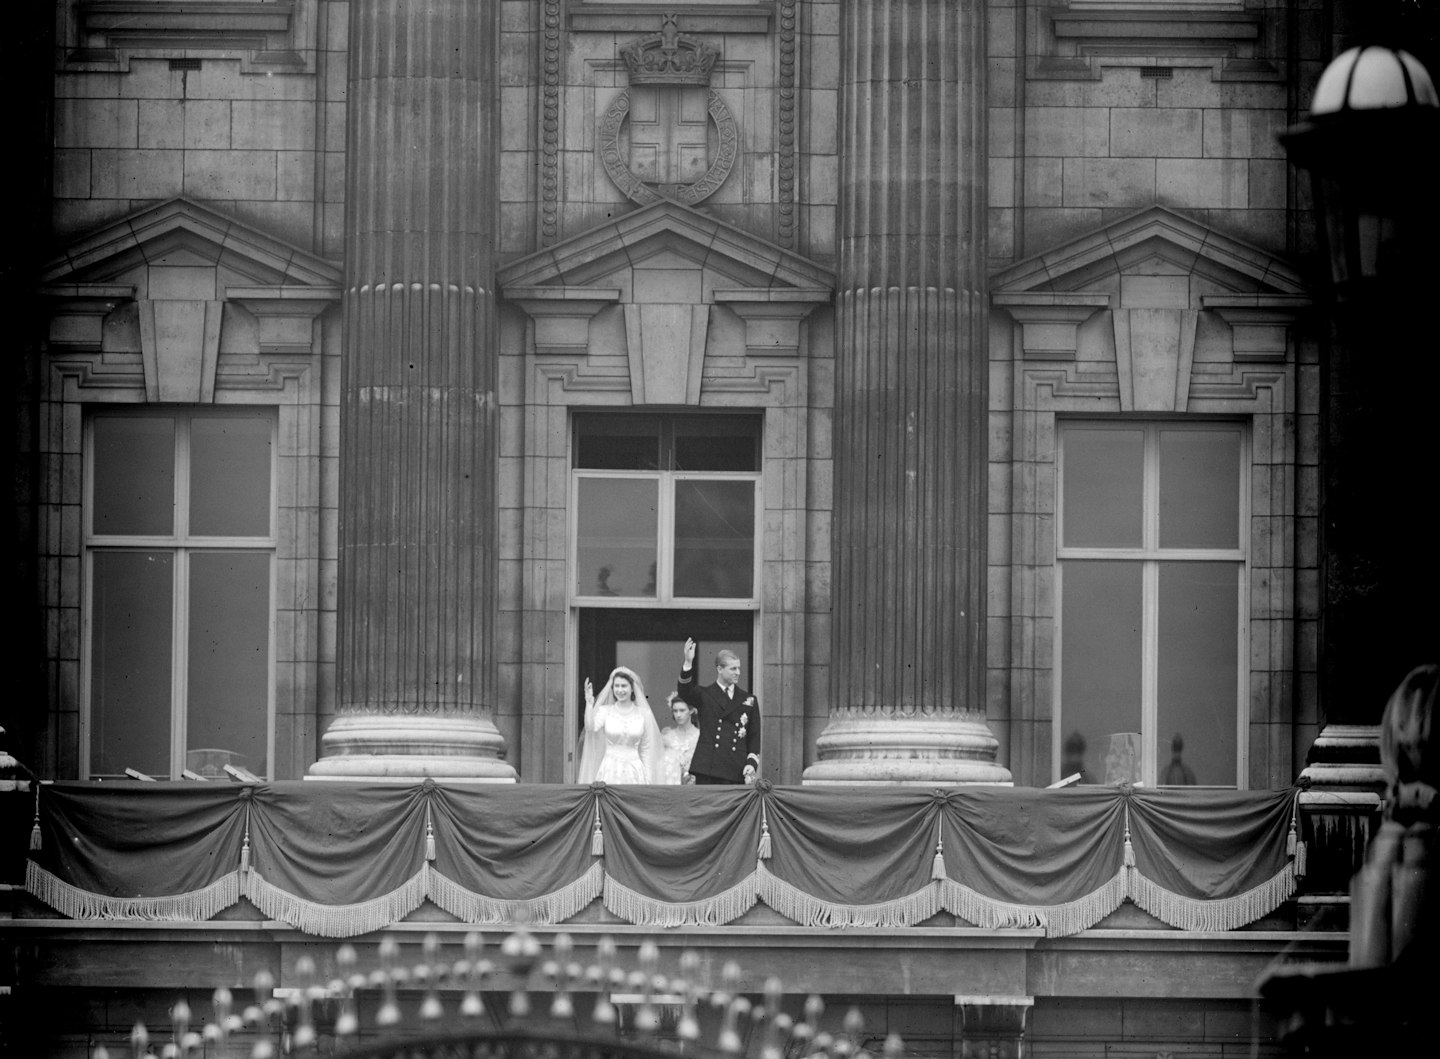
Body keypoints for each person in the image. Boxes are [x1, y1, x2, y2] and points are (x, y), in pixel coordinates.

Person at [676, 638, 760, 785]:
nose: (738, 673)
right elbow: (684, 691)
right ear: (720, 669)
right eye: (733, 669)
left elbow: (754, 737)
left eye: (739, 668)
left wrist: (751, 764)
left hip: (736, 769)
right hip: (708, 768)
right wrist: (688, 663)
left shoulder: (748, 699)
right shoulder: (705, 694)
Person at [576, 666, 665, 784]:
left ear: (632, 688)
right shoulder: (605, 711)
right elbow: (590, 727)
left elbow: (647, 748)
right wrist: (589, 703)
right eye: (616, 686)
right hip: (610, 770)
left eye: (624, 686)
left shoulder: (644, 714)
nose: (620, 690)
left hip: (635, 771)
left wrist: (648, 778)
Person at [659, 692, 700, 785]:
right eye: (675, 711)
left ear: (691, 711)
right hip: (671, 785)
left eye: (682, 710)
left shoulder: (700, 736)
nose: (678, 715)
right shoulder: (667, 737)